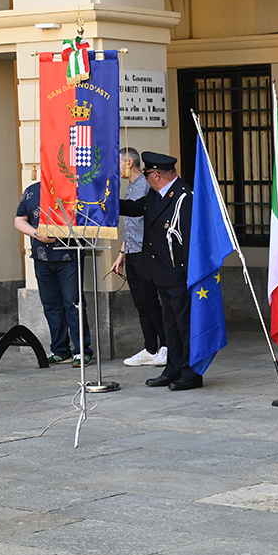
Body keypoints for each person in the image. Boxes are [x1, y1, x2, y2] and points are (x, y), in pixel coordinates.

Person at [117, 152, 198, 390]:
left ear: (157, 175)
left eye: (150, 174)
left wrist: (187, 275)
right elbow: (134, 208)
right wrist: (104, 201)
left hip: (178, 273)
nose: (147, 178)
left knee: (184, 324)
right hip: (160, 271)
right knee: (170, 324)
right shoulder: (155, 195)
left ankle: (190, 372)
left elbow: (190, 239)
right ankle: (173, 368)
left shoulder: (184, 197)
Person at [14, 182, 93, 366]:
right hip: (41, 257)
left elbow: (85, 219)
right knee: (50, 304)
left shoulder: (73, 187)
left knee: (74, 304)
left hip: (69, 256)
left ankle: (82, 351)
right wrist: (36, 233)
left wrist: (59, 235)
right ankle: (59, 350)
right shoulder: (31, 191)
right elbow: (19, 219)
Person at [112, 147, 167, 368]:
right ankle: (150, 347)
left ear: (129, 162)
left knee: (150, 301)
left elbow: (142, 217)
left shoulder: (145, 186)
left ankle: (166, 346)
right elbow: (131, 225)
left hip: (146, 252)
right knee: (140, 303)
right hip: (132, 251)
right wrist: (121, 254)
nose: (117, 168)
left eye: (119, 162)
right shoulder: (131, 187)